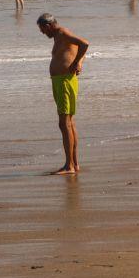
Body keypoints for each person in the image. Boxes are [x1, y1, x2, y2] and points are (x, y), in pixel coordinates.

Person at [36, 13, 89, 175]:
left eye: (43, 30)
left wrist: (76, 62)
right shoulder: (59, 36)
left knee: (65, 123)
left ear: (48, 25)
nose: (43, 33)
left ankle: (69, 166)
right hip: (61, 81)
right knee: (68, 122)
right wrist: (79, 62)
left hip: (65, 81)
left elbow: (85, 44)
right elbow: (81, 47)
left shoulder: (63, 33)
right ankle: (74, 164)